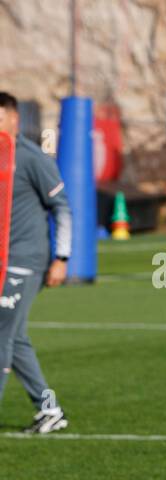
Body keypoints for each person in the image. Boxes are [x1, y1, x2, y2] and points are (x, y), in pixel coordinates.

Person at [0, 91, 71, 433]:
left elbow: (62, 207)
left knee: (1, 335)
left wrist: (62, 257)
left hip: (25, 261)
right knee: (15, 337)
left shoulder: (30, 158)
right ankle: (49, 409)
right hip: (3, 260)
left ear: (14, 119)